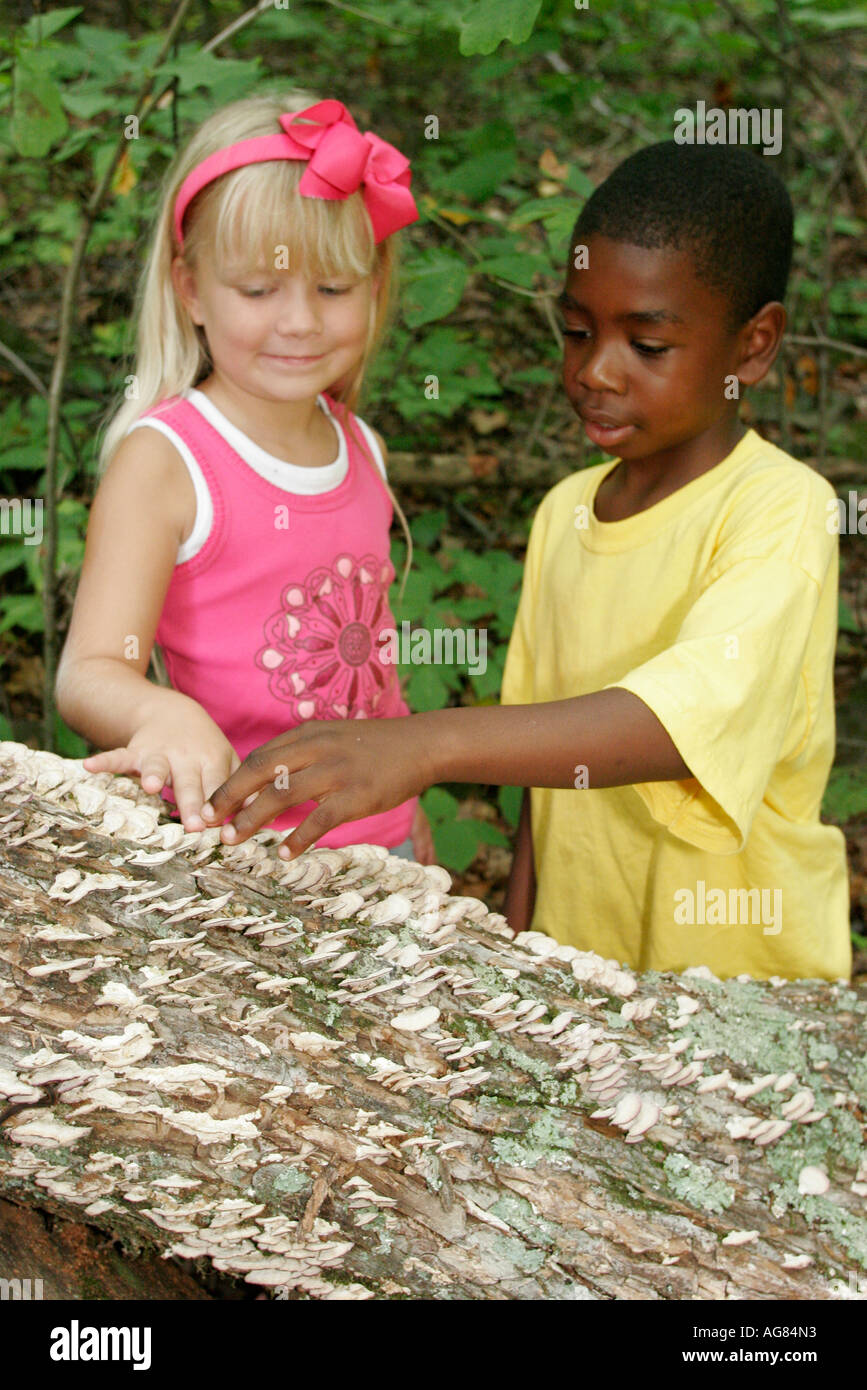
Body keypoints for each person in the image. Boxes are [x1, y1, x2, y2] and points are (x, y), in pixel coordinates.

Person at [201, 140, 850, 983]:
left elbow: (678, 723)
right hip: (587, 974)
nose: (594, 372)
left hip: (743, 991)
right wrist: (520, 956)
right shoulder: (564, 515)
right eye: (577, 332)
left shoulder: (779, 510)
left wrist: (419, 746)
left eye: (647, 346)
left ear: (752, 347)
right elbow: (547, 785)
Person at [55, 94, 434, 863]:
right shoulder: (167, 461)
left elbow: (370, 674)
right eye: (258, 291)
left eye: (332, 290)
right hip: (240, 851)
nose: (298, 321)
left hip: (376, 845)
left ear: (374, 286)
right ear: (190, 289)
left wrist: (408, 813)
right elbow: (89, 672)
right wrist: (158, 713)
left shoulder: (360, 444)